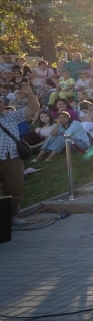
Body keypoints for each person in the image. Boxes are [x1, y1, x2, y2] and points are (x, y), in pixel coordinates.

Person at [0, 81, 40, 222]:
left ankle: (13, 216)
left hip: (14, 159)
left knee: (15, 190)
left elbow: (34, 108)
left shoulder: (10, 116)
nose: (0, 104)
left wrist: (30, 94)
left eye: (1, 102)